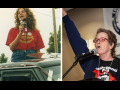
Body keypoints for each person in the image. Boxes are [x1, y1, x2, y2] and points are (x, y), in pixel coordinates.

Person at [62, 8, 120, 81]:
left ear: (111, 45)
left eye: (102, 39)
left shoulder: (118, 64)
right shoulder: (90, 61)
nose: (98, 42)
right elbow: (76, 41)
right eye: (96, 40)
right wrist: (64, 15)